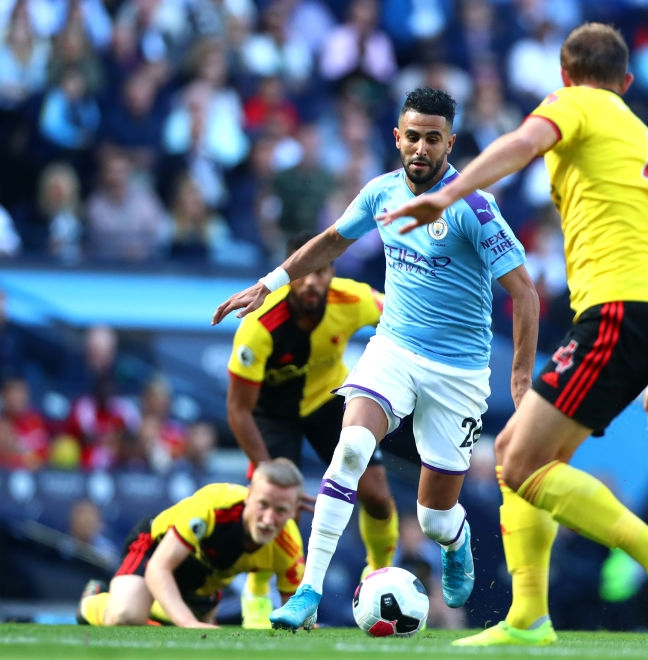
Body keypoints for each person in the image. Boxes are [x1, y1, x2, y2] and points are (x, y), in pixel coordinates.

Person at [377, 23, 648, 650]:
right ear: (628, 81)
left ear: (564, 76)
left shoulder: (577, 102)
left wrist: (448, 195)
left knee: (516, 460)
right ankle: (529, 616)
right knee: (524, 455)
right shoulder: (647, 144)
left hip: (615, 312)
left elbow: (523, 141)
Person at [211, 87, 539, 631]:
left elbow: (524, 293)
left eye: (433, 139)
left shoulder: (473, 207)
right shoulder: (380, 193)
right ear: (397, 138)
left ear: (450, 143)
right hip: (394, 350)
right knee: (350, 451)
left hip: (458, 373)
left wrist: (521, 378)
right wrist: (269, 284)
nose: (421, 148)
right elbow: (331, 241)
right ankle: (309, 592)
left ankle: (455, 539)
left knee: (433, 518)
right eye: (413, 137)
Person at [226, 230, 401, 629]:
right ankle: (257, 591)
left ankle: (379, 575)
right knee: (272, 502)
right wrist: (265, 469)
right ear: (288, 273)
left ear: (331, 273)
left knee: (377, 497)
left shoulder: (352, 299)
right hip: (271, 413)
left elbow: (404, 318)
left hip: (328, 401)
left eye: (320, 271)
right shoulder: (258, 324)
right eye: (302, 272)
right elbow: (238, 410)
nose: (311, 281)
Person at [76, 458, 306, 628]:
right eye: (263, 505)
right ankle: (93, 600)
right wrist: (188, 623)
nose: (268, 519)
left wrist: (303, 624)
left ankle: (157, 612)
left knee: (181, 626)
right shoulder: (214, 505)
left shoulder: (289, 546)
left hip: (207, 576)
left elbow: (293, 610)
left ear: (294, 511)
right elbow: (159, 567)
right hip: (156, 548)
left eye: (280, 510)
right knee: (125, 616)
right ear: (249, 495)